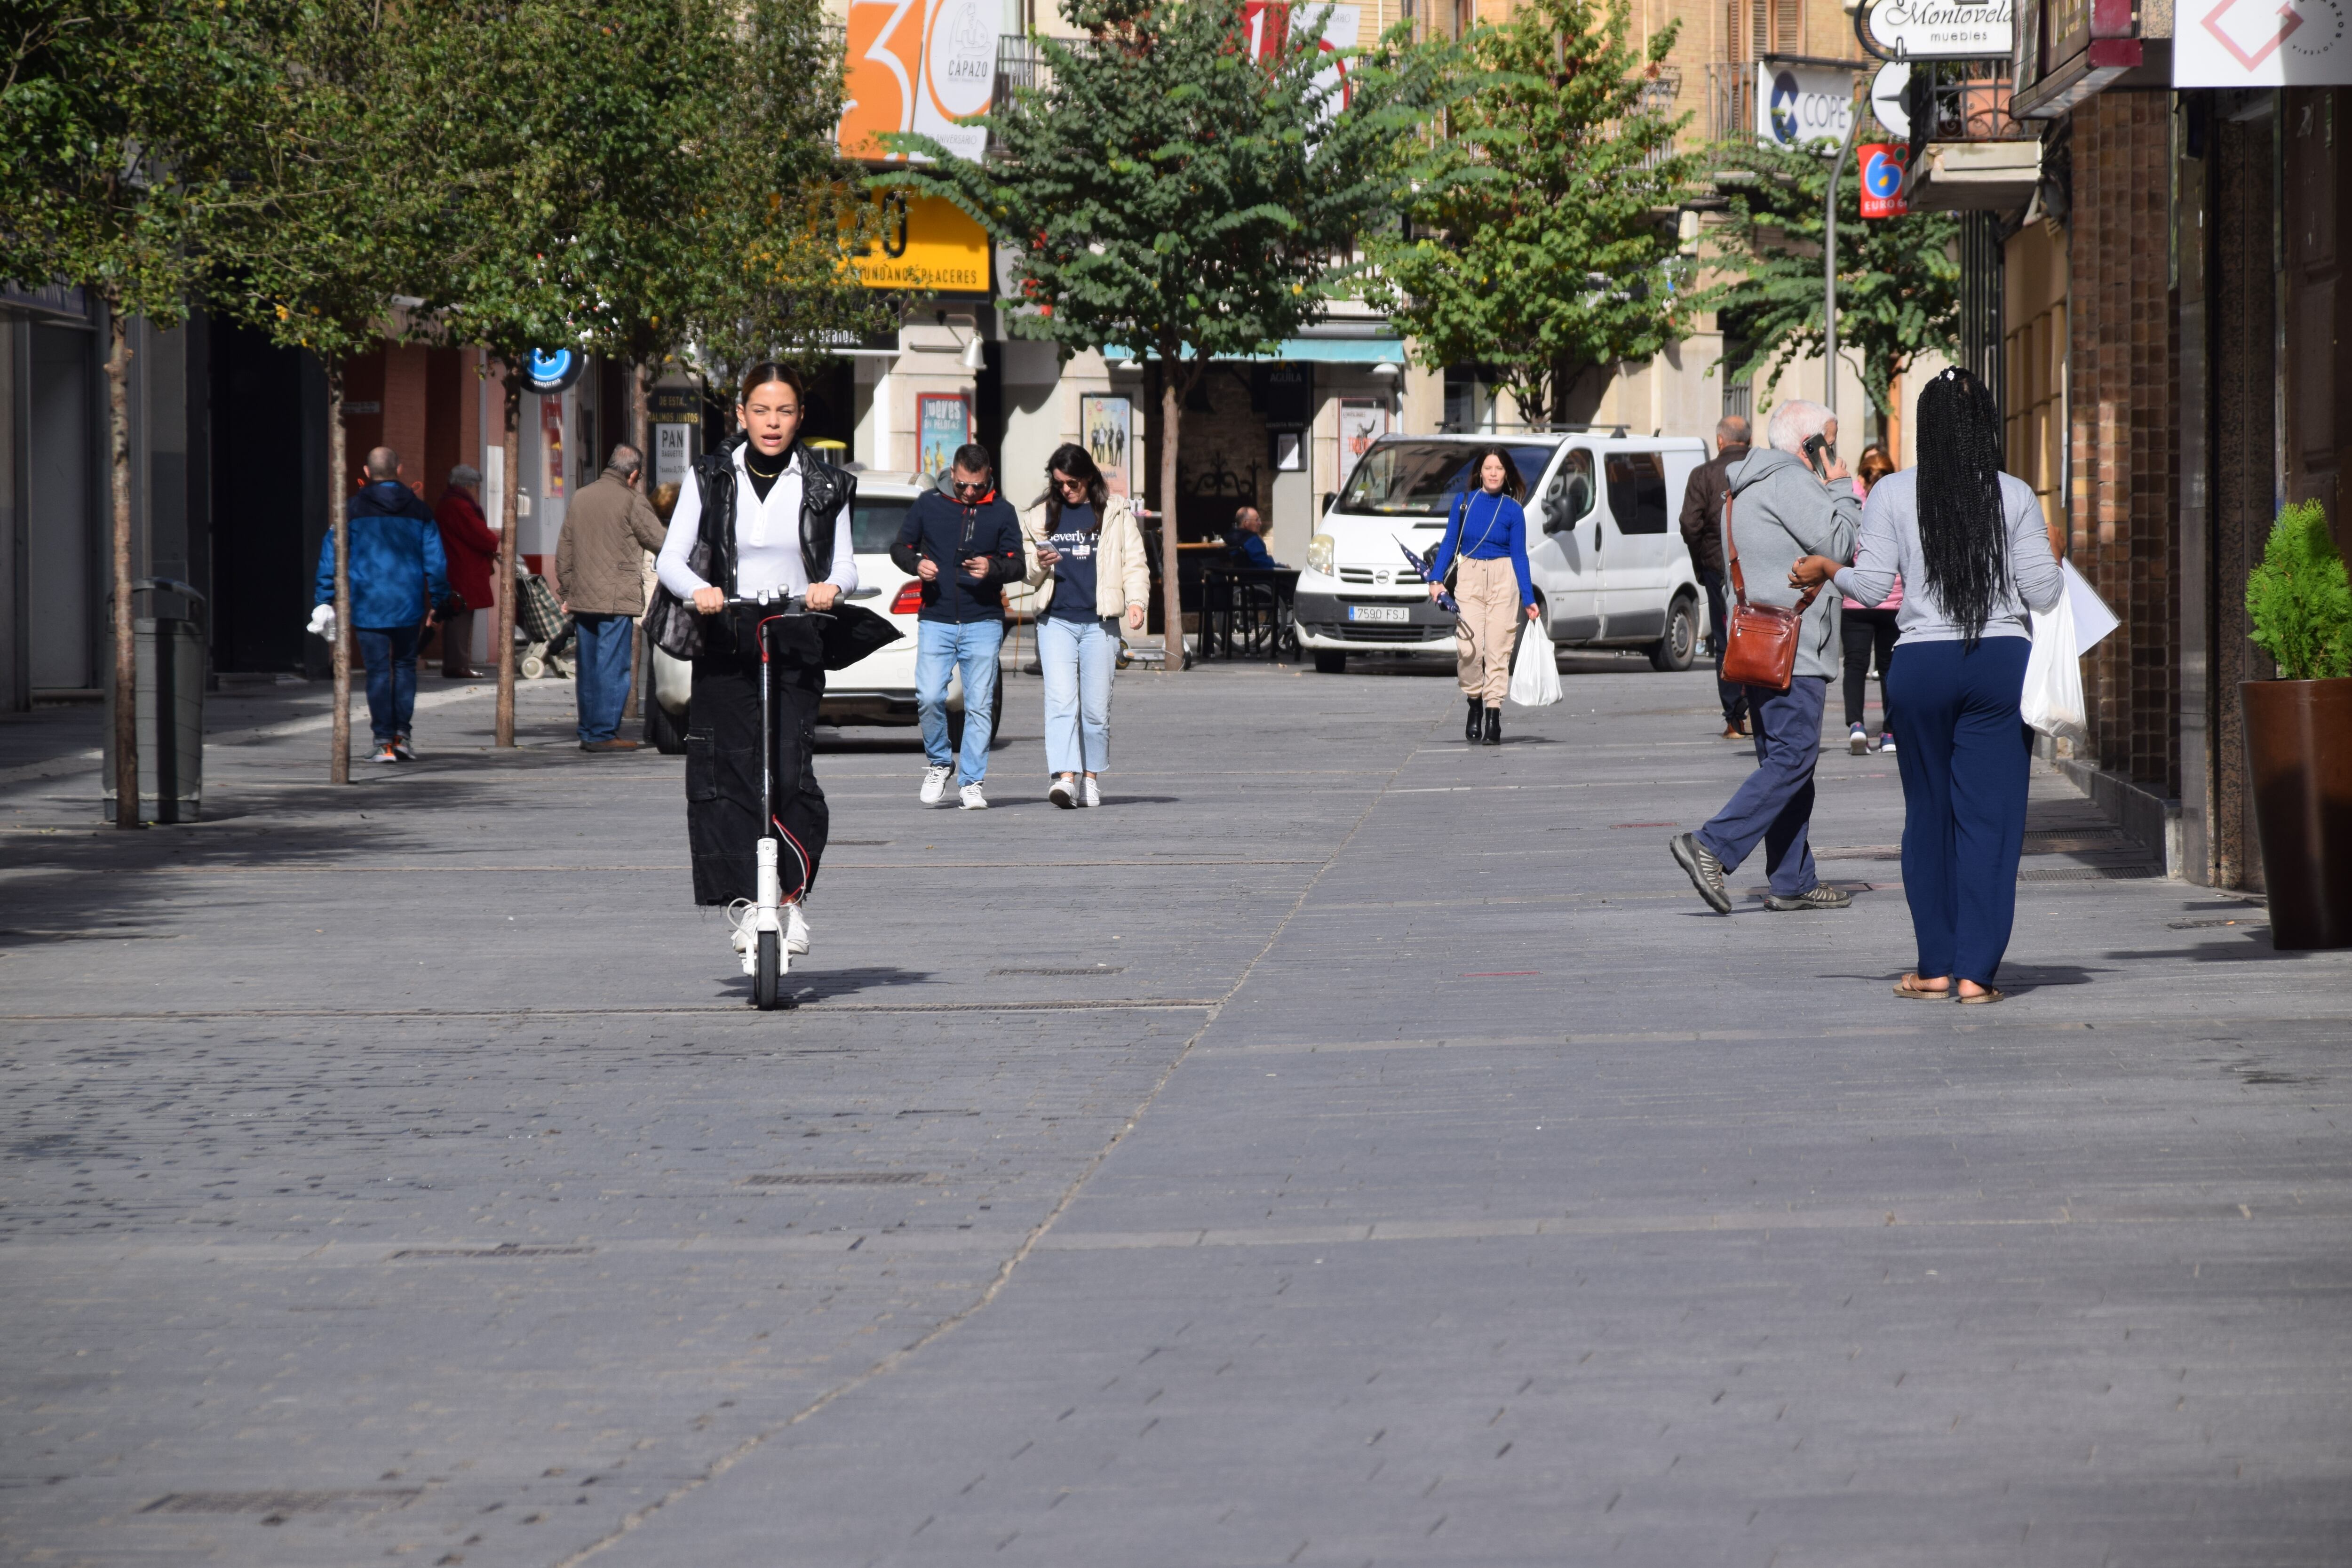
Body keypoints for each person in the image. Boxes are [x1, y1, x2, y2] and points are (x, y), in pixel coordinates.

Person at [1790, 368, 2063, 1002]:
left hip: (1920, 669)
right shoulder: (2015, 495)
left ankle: (1935, 967)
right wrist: (2052, 553)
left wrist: (1830, 568)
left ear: (1927, 428)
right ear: (1984, 427)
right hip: (1999, 665)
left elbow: (1874, 584)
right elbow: (2044, 594)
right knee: (1990, 823)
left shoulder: (1891, 495)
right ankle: (1975, 975)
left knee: (1929, 817)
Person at [655, 362, 858, 975]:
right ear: (741, 415)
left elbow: (846, 566)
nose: (773, 423)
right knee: (727, 770)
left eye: (785, 412)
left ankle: (790, 898)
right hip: (728, 634)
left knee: (791, 772)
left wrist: (829, 589)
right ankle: (748, 902)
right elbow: (670, 560)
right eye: (762, 411)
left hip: (795, 637)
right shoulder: (710, 476)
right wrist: (700, 590)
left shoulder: (826, 483)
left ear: (800, 417)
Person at [1668, 400, 1860, 914]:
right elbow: (1841, 544)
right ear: (1809, 446)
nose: (1834, 453)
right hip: (1791, 648)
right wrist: (1841, 488)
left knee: (1785, 764)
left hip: (1759, 642)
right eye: (1830, 441)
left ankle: (1792, 879)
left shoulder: (1745, 483)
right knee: (1794, 758)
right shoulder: (1791, 483)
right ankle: (1710, 845)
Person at [891, 444, 1026, 810]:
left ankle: (971, 781)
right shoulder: (928, 505)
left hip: (983, 620)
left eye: (978, 487)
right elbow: (900, 547)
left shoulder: (1002, 512)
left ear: (989, 478)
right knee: (930, 696)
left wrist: (993, 568)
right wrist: (917, 563)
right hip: (936, 617)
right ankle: (939, 762)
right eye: (963, 484)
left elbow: (1018, 565)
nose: (969, 493)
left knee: (980, 704)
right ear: (952, 472)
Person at [1021, 443, 1150, 808]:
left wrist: (1137, 602)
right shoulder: (1040, 515)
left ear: (1089, 476)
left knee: (1095, 709)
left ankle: (1090, 779)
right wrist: (1041, 563)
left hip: (1100, 622)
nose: (1065, 489)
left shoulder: (1114, 511)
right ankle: (1064, 777)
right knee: (1061, 701)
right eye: (1059, 482)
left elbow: (1135, 564)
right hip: (1056, 621)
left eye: (1072, 482)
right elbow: (1029, 576)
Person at [315, 447, 449, 764]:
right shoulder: (420, 511)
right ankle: (402, 736)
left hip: (367, 602)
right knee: (404, 667)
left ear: (367, 470)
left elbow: (331, 554)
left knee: (377, 670)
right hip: (407, 602)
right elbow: (436, 561)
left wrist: (324, 598)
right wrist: (440, 600)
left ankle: (383, 742)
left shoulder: (350, 510)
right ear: (399, 470)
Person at [554, 444, 669, 753]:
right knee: (613, 665)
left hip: (583, 596)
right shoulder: (632, 500)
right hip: (616, 597)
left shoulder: (581, 496)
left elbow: (565, 547)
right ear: (634, 474)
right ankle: (604, 732)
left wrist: (567, 591)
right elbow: (660, 542)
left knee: (589, 665)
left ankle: (590, 730)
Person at [1426, 446, 1540, 746]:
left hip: (1504, 581)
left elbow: (1520, 555)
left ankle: (1493, 716)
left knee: (1498, 652)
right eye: (1488, 468)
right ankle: (1474, 701)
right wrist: (1436, 579)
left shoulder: (1514, 510)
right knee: (1469, 649)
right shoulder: (1463, 503)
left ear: (1506, 474)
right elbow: (1450, 541)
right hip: (1470, 580)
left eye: (1499, 469)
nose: (1493, 473)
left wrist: (1529, 598)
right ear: (1479, 472)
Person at [1677, 415, 1753, 740]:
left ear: (1720, 441)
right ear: (1748, 440)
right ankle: (1760, 711)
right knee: (1760, 636)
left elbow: (1689, 524)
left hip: (1718, 569)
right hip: (1758, 566)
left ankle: (1734, 721)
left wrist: (1702, 562)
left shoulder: (1703, 474)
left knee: (1725, 641)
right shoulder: (1761, 469)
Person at [1841, 444, 1903, 756]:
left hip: (1856, 599)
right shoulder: (1898, 501)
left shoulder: (1851, 503)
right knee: (1890, 667)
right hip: (1893, 601)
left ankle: (1856, 726)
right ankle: (1890, 733)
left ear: (1862, 476)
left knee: (1855, 664)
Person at [434, 464, 497, 679]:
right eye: (476, 487)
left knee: (458, 615)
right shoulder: (459, 506)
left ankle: (457, 663)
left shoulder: (449, 503)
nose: (477, 491)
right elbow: (479, 536)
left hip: (457, 566)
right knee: (460, 616)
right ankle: (457, 664)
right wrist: (496, 539)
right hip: (464, 568)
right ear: (468, 486)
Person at [1225, 505, 1283, 570]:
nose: (1260, 523)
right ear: (1246, 523)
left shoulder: (1230, 539)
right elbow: (1264, 563)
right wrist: (1283, 567)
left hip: (1244, 578)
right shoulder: (1252, 540)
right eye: (1257, 520)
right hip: (1259, 577)